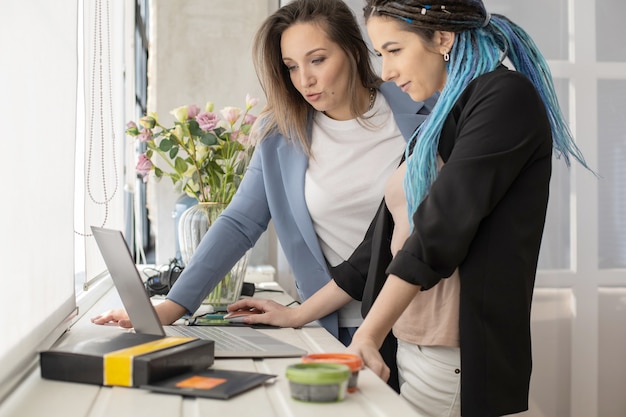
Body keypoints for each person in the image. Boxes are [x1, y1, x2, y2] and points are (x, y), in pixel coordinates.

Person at [91, 0, 435, 391]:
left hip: (419, 324)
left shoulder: (423, 110)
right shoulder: (281, 136)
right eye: (291, 66)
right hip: (334, 327)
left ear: (355, 51)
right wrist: (174, 305)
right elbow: (240, 223)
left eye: (317, 60)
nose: (304, 79)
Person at [337, 1, 592, 417]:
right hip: (412, 345)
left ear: (441, 37)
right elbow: (379, 246)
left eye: (394, 50)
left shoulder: (505, 97)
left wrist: (367, 333)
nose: (386, 72)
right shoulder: (447, 111)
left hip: (451, 357)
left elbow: (439, 230)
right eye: (381, 54)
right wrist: (295, 316)